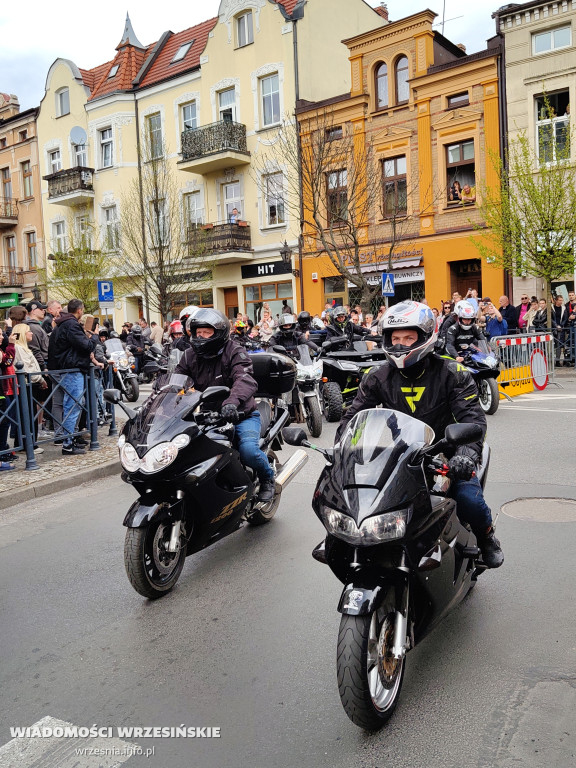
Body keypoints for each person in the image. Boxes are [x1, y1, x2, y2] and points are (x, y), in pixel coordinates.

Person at [336, 301, 504, 568]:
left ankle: (487, 537)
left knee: (469, 499)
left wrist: (464, 456)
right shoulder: (376, 376)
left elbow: (472, 420)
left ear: (425, 337)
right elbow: (353, 418)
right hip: (401, 454)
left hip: (447, 455)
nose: (400, 344)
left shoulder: (453, 373)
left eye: (408, 338)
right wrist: (341, 451)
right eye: (396, 338)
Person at [175, 309, 275, 502]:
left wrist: (231, 403)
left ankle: (267, 478)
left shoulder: (235, 351)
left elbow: (244, 379)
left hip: (241, 414)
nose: (201, 336)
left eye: (206, 332)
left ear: (219, 333)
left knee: (248, 451)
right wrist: (156, 405)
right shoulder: (189, 355)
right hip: (207, 416)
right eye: (198, 332)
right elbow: (176, 381)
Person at [47, 299, 95, 456]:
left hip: (65, 368)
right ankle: (68, 443)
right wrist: (93, 337)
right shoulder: (71, 325)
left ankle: (70, 438)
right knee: (72, 405)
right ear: (80, 310)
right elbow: (86, 346)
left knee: (73, 404)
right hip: (71, 369)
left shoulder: (62, 324)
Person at [25, 301, 49, 370]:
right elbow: (34, 349)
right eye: (41, 309)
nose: (43, 311)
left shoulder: (36, 326)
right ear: (33, 311)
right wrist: (43, 366)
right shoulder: (33, 327)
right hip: (43, 363)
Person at [551, 294, 568, 366]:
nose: (561, 302)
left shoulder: (563, 308)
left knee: (559, 344)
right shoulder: (551, 308)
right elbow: (550, 318)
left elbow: (565, 318)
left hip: (561, 328)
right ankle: (551, 360)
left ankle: (557, 360)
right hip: (553, 328)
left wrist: (561, 325)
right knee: (552, 344)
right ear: (556, 300)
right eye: (559, 300)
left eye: (562, 300)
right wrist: (555, 325)